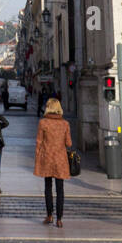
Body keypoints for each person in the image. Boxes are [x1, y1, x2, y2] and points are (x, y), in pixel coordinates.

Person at [34, 97, 73, 226]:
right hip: (60, 159)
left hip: (47, 158)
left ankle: (49, 215)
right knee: (60, 189)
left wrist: (38, 156)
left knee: (48, 188)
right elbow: (69, 143)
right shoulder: (65, 124)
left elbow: (39, 141)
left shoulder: (43, 123)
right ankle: (59, 219)